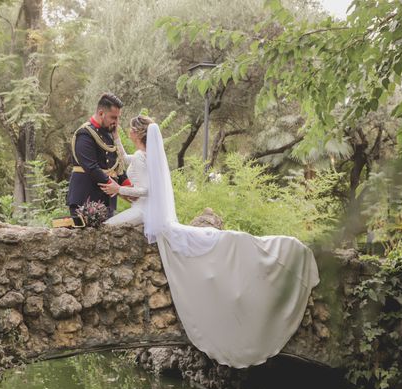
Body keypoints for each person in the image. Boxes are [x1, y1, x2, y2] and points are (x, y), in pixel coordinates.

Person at [100, 119, 320, 368]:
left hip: (144, 212)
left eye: (127, 129)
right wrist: (116, 139)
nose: (126, 132)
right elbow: (128, 160)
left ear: (136, 132)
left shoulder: (143, 157)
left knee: (106, 228)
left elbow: (146, 189)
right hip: (149, 213)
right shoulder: (145, 155)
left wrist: (119, 189)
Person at [66, 92, 130, 220]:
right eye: (113, 117)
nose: (116, 122)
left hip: (107, 200)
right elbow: (91, 167)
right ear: (101, 113)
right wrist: (116, 188)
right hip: (85, 199)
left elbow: (116, 165)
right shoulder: (85, 134)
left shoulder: (108, 134)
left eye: (118, 118)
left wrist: (127, 186)